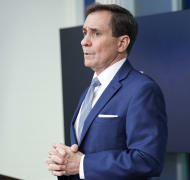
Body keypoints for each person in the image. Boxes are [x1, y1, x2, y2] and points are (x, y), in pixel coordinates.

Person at [45, 3, 168, 180]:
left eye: (96, 33)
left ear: (122, 43)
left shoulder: (142, 89)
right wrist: (65, 163)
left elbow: (147, 160)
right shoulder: (89, 91)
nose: (84, 41)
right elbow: (85, 153)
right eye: (84, 32)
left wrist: (82, 164)